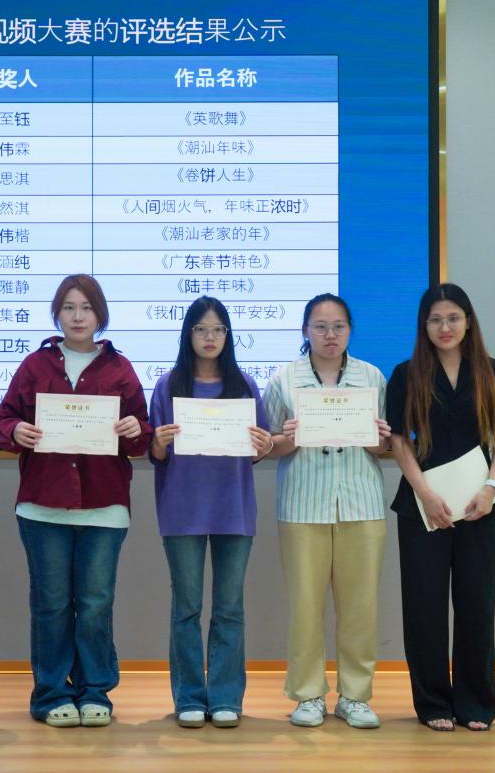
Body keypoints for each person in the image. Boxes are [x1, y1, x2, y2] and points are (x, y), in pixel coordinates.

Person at [0, 274, 152, 728]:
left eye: (86, 307)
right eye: (68, 307)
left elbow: (141, 436)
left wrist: (134, 430)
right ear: (57, 314)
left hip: (105, 506)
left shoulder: (120, 369)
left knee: (96, 603)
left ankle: (94, 691)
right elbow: (5, 421)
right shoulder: (34, 365)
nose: (78, 316)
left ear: (100, 314)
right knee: (51, 605)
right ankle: (50, 693)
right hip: (42, 505)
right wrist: (16, 431)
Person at [385, 283, 495, 732]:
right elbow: (399, 441)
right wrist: (425, 493)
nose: (445, 327)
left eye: (453, 318)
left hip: (480, 504)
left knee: (476, 604)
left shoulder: (494, 372)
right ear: (424, 326)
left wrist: (489, 488)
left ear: (468, 322)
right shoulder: (406, 374)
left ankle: (476, 703)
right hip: (423, 506)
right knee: (424, 606)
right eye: (436, 319)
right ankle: (433, 703)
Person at [262, 293, 391, 730]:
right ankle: (309, 694)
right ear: (305, 331)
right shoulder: (284, 380)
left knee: (360, 606)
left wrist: (379, 438)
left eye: (338, 326)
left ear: (350, 330)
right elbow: (267, 446)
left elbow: (384, 446)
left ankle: (355, 696)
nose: (330, 335)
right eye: (320, 326)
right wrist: (286, 438)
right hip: (303, 504)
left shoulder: (371, 377)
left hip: (361, 502)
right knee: (305, 606)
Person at [149, 296, 274, 729]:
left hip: (233, 509)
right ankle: (188, 696)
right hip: (182, 508)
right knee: (186, 607)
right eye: (201, 329)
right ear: (188, 335)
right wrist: (158, 442)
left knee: (229, 608)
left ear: (228, 335)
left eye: (218, 329)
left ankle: (224, 697)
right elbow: (155, 454)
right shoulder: (168, 386)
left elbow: (257, 450)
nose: (210, 337)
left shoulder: (244, 385)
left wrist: (264, 446)